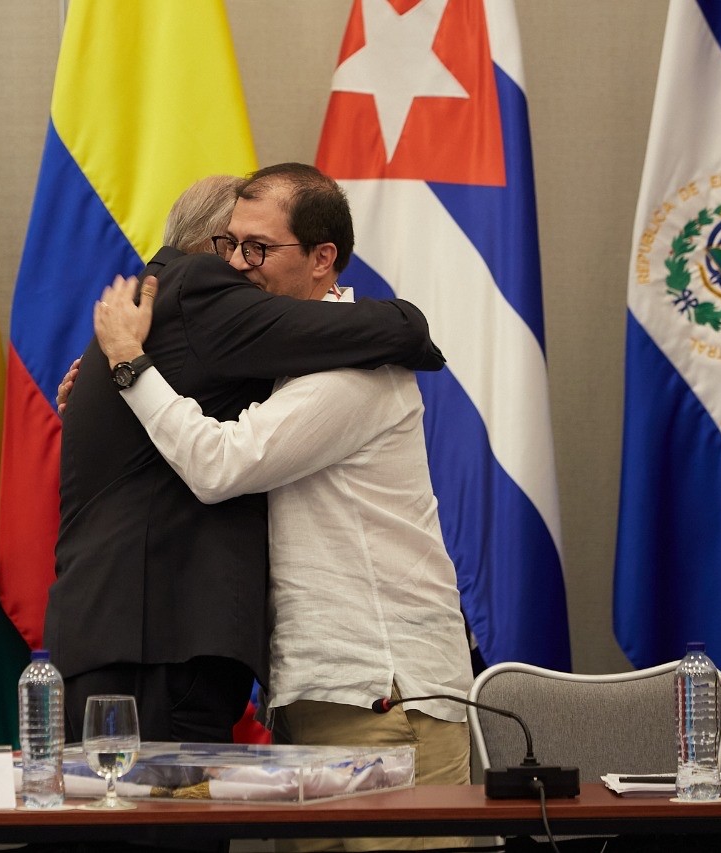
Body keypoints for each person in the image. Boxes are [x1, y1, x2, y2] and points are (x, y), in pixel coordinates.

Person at [93, 163, 473, 851]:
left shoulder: (352, 367)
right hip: (320, 694)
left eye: (258, 249)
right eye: (228, 245)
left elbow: (220, 464)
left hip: (384, 697)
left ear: (324, 259)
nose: (237, 266)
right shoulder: (279, 364)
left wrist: (129, 366)